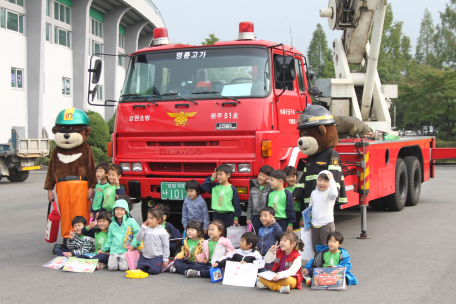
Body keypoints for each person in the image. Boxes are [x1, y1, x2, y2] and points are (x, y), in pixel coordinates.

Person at [100, 197, 140, 271]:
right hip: (114, 250)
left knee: (124, 268)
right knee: (112, 268)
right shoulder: (112, 224)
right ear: (114, 210)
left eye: (122, 210)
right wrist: (104, 249)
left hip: (126, 250)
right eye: (117, 209)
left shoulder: (131, 221)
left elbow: (137, 233)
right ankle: (105, 263)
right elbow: (110, 239)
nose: (119, 212)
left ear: (126, 211)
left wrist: (134, 245)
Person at [201, 165, 242, 233]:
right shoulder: (214, 187)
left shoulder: (232, 188)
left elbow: (236, 204)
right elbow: (203, 186)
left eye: (221, 174)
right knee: (216, 232)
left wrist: (236, 217)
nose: (218, 176)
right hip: (217, 214)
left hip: (228, 215)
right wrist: (212, 178)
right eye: (217, 174)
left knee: (227, 233)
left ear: (228, 175)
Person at [309, 170, 338, 252]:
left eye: (325, 181)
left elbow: (334, 194)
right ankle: (318, 262)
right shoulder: (314, 193)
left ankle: (328, 263)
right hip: (314, 224)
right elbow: (310, 208)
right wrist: (307, 221)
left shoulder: (330, 193)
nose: (322, 183)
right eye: (320, 180)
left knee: (327, 246)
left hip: (326, 224)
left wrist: (331, 179)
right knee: (316, 248)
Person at [135, 208, 170, 275]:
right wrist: (142, 228)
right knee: (139, 270)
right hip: (145, 256)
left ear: (159, 220)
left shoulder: (162, 232)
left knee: (153, 271)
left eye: (152, 218)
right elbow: (138, 238)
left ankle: (163, 266)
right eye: (148, 218)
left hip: (156, 257)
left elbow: (166, 246)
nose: (149, 220)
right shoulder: (146, 229)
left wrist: (165, 259)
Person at [246, 165, 274, 234]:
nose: (261, 177)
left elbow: (276, 193)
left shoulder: (271, 188)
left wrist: (270, 182)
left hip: (267, 217)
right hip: (255, 216)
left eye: (264, 176)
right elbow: (250, 205)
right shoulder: (253, 189)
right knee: (256, 235)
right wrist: (248, 218)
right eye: (260, 174)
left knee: (267, 235)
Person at [284, 166, 303, 230]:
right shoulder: (284, 190)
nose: (291, 179)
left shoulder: (299, 188)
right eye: (288, 177)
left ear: (297, 177)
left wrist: (302, 218)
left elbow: (303, 204)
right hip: (288, 215)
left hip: (298, 215)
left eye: (293, 176)